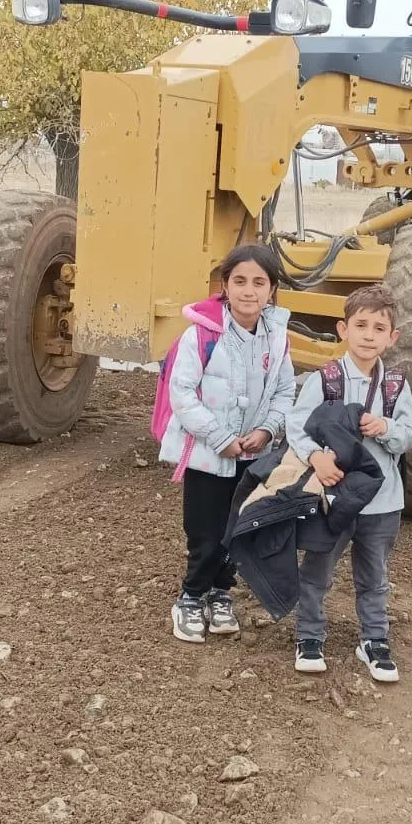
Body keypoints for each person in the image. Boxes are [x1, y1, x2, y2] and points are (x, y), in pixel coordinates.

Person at [159, 245, 296, 643]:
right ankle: (191, 597)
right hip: (208, 455)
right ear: (225, 286)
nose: (249, 291)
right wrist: (219, 438)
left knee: (238, 527)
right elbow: (182, 392)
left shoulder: (278, 339)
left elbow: (285, 390)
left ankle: (221, 593)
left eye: (259, 282)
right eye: (240, 281)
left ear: (272, 289)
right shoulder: (200, 335)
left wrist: (269, 430)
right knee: (205, 529)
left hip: (253, 456)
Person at [286, 284, 412, 682]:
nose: (368, 334)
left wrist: (387, 427)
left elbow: (410, 435)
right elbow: (297, 426)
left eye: (379, 327)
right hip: (332, 499)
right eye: (361, 325)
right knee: (318, 569)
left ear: (392, 337)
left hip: (382, 503)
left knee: (374, 575)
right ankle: (309, 636)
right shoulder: (323, 380)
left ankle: (374, 641)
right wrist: (317, 456)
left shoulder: (396, 386)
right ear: (343, 329)